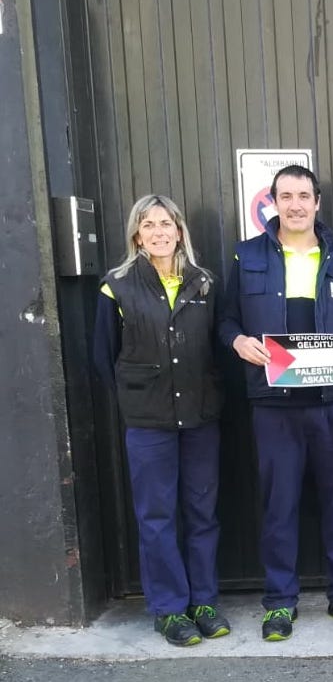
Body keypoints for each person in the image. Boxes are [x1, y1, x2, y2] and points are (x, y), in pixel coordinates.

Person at [218, 165, 333, 640]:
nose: (295, 204)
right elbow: (226, 320)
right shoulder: (247, 256)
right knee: (279, 507)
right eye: (285, 196)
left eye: (303, 195)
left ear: (317, 202)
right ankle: (279, 603)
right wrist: (238, 342)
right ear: (273, 202)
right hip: (274, 405)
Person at [93, 195, 229, 647]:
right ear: (137, 235)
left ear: (179, 231)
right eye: (148, 225)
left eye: (165, 223)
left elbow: (217, 348)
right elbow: (103, 357)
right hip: (148, 422)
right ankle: (170, 610)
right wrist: (137, 398)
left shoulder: (204, 283)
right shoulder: (117, 286)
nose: (158, 232)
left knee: (202, 513)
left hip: (200, 418)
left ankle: (204, 602)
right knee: (156, 517)